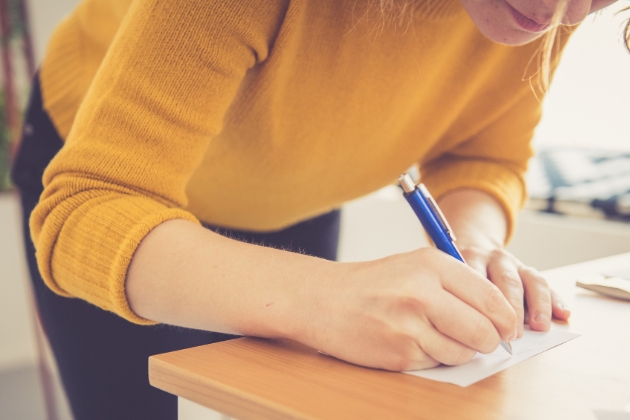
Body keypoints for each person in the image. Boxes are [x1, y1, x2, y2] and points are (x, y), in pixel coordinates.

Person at [11, 0, 622, 419]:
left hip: (290, 192)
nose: (557, 16)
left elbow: (483, 154)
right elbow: (85, 212)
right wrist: (323, 299)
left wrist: (475, 246)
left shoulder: (543, 8)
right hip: (110, 189)